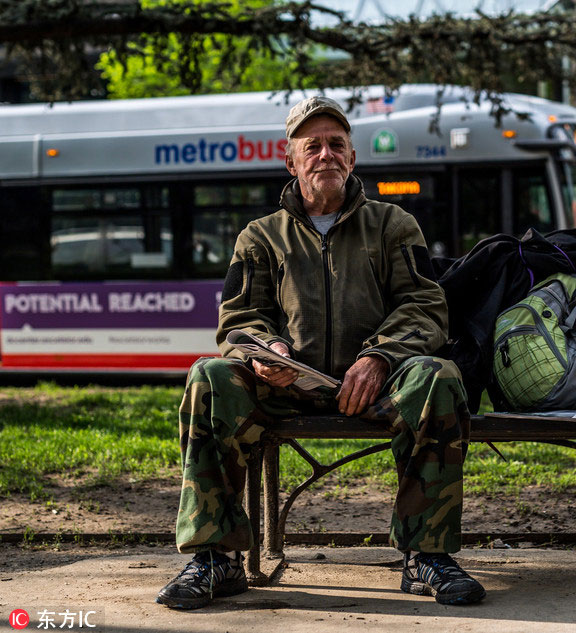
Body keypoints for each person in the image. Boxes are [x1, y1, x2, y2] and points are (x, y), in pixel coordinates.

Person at [156, 95, 485, 609]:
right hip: (284, 387)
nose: (326, 155)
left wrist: (379, 358)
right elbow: (239, 321)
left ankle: (427, 557)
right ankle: (216, 557)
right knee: (210, 376)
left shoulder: (393, 224)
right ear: (291, 161)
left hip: (377, 386)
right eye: (313, 147)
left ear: (352, 158)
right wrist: (265, 352)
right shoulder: (259, 238)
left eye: (337, 144)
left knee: (437, 376)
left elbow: (424, 306)